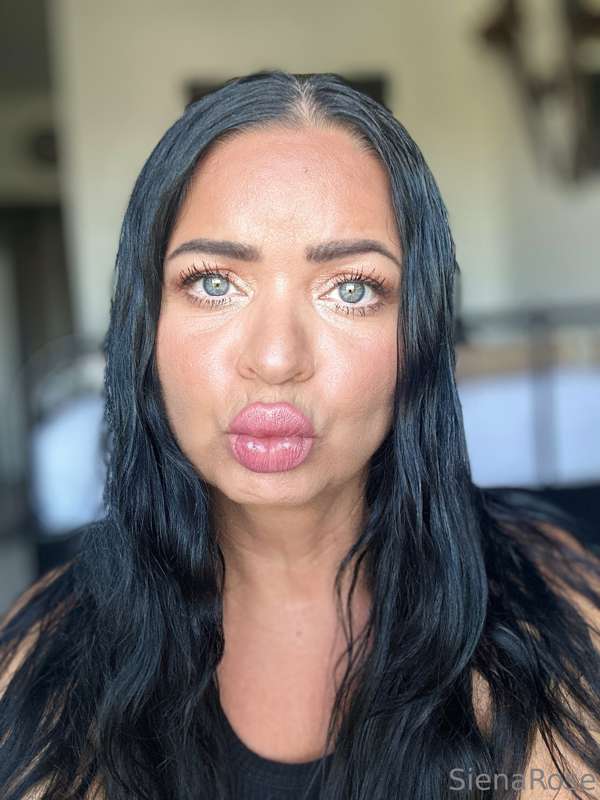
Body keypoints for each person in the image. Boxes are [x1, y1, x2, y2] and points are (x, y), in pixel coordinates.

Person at [1, 69, 599, 800]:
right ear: (145, 323)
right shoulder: (42, 662)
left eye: (351, 289)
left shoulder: (558, 622)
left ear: (417, 333)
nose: (277, 358)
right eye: (214, 282)